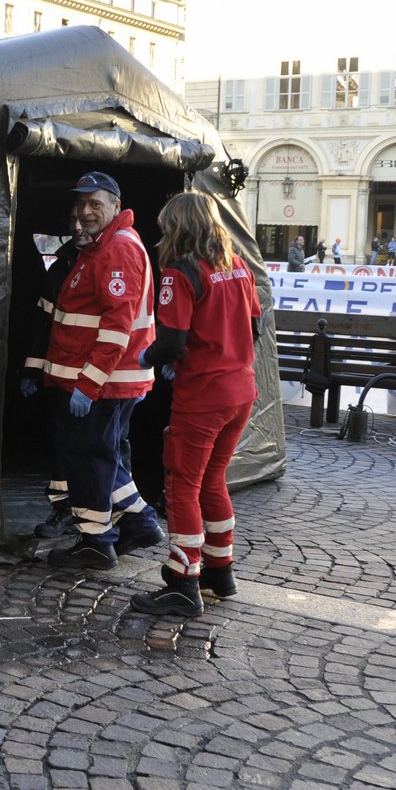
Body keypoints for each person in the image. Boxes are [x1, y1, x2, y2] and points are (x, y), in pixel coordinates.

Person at [130, 192, 261, 616]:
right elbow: (255, 325)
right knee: (214, 480)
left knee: (182, 484)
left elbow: (171, 341)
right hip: (241, 390)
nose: (163, 233)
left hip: (203, 396)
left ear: (179, 227)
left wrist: (145, 357)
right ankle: (220, 574)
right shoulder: (237, 266)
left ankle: (182, 582)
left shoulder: (178, 272)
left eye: (167, 225)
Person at [40, 171, 166, 571]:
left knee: (91, 460)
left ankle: (96, 542)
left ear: (116, 205)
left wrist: (88, 385)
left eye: (95, 203)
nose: (86, 211)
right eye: (80, 204)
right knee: (104, 456)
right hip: (102, 380)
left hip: (105, 383)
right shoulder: (100, 248)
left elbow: (116, 327)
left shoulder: (117, 250)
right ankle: (141, 522)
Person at [18, 212, 93, 541]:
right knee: (65, 444)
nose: (76, 226)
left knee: (106, 448)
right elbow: (43, 322)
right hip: (64, 378)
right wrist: (32, 370)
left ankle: (107, 518)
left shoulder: (113, 261)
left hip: (102, 380)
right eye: (72, 219)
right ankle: (67, 510)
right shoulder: (61, 267)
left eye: (84, 220)